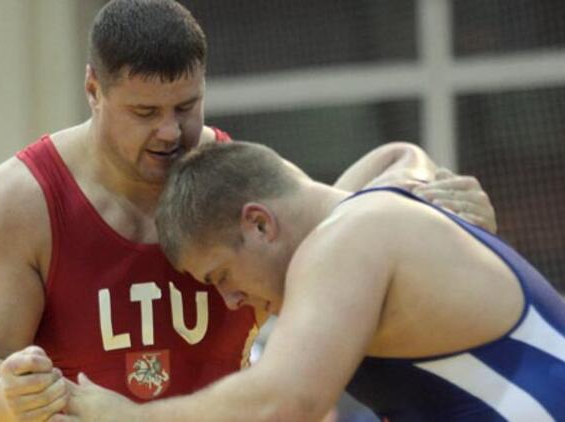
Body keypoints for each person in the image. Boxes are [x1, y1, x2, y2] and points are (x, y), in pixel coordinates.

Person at [0, 0, 496, 420]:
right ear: (93, 88)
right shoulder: (16, 204)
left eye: (186, 106)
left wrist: (435, 208)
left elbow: (347, 225)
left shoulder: (233, 181)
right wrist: (13, 393)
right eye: (144, 111)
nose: (169, 131)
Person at [63, 141, 565, 421]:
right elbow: (396, 154)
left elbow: (284, 404)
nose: (233, 300)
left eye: (221, 276)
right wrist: (421, 170)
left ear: (259, 223)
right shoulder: (368, 216)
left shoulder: (345, 242)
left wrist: (128, 417)